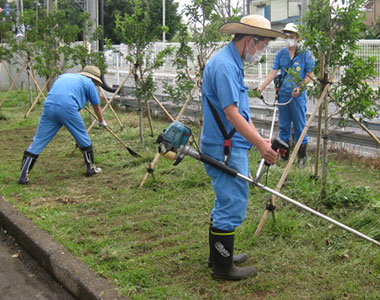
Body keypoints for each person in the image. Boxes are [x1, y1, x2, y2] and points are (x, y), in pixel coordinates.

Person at [201, 15, 285, 280]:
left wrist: (258, 137)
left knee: (225, 199)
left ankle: (218, 255)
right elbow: (232, 113)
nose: (261, 53)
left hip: (228, 143)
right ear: (250, 40)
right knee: (233, 202)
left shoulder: (231, 62)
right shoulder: (225, 65)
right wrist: (260, 144)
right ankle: (223, 268)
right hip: (224, 147)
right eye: (262, 46)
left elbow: (241, 112)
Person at [18, 65, 107, 184]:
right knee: (83, 137)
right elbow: (96, 105)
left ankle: (23, 175)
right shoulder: (89, 83)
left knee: (39, 140)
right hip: (68, 108)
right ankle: (90, 168)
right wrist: (101, 121)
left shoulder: (63, 76)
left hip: (49, 106)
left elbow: (59, 93)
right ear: (94, 79)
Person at [258, 23, 315, 167]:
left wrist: (300, 87)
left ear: (296, 37)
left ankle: (301, 158)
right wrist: (261, 87)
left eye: (291, 36)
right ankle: (284, 155)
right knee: (283, 126)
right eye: (286, 36)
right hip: (283, 94)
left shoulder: (305, 54)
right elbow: (273, 72)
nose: (288, 38)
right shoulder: (281, 54)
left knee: (299, 126)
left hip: (297, 96)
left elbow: (310, 75)